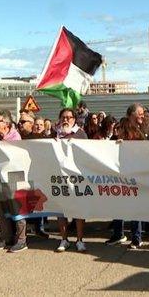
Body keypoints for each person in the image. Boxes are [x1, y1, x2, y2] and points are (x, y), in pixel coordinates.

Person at [0, 113, 28, 253]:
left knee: (16, 208)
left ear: (7, 124)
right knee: (2, 209)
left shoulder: (15, 136)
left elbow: (15, 156)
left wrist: (2, 136)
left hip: (13, 176)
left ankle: (21, 240)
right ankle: (6, 238)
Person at [108, 104, 145, 250]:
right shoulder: (122, 127)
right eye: (140, 113)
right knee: (119, 205)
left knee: (135, 206)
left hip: (137, 173)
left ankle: (137, 238)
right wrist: (117, 143)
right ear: (132, 114)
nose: (143, 115)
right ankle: (118, 234)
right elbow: (111, 144)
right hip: (121, 173)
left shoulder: (144, 128)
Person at [53, 108, 89, 253]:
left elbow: (88, 152)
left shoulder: (81, 133)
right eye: (64, 117)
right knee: (60, 210)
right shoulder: (54, 134)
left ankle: (80, 240)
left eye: (69, 117)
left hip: (77, 177)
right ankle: (64, 239)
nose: (66, 120)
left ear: (74, 119)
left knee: (78, 209)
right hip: (58, 177)